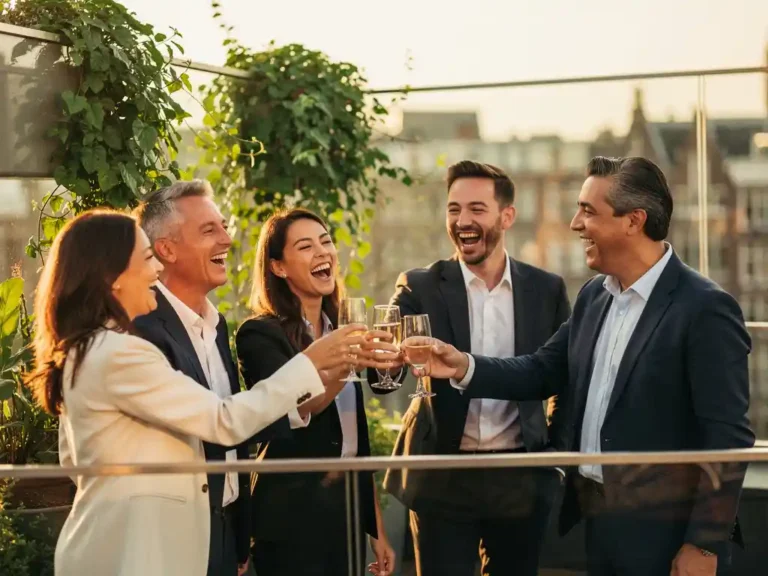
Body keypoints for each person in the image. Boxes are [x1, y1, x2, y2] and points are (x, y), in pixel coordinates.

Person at [414, 156, 754, 576]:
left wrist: (704, 545)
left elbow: (728, 437)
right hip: (598, 521)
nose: (575, 223)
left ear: (634, 221)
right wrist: (462, 364)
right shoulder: (596, 295)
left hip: (666, 534)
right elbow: (541, 370)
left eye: (588, 211)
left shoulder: (705, 308)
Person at [27, 210, 388, 576]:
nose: (156, 272)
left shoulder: (92, 347)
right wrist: (311, 363)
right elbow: (223, 420)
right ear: (112, 278)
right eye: (147, 258)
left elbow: (74, 458)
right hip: (133, 552)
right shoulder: (119, 353)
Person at [373, 160, 571, 576]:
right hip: (443, 474)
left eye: (476, 209)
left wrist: (553, 457)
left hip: (519, 475)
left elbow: (563, 380)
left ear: (507, 216)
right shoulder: (419, 285)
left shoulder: (546, 290)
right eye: (453, 209)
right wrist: (384, 362)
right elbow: (384, 374)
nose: (462, 221)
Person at [132, 179, 305, 576]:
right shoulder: (141, 330)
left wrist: (237, 536)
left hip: (226, 536)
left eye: (224, 226)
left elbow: (234, 435)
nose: (227, 239)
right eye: (210, 230)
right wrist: (311, 367)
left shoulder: (217, 324)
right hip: (173, 541)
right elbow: (217, 422)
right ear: (167, 249)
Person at [236, 208, 397, 576]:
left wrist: (377, 532)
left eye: (326, 242)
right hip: (290, 518)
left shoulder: (343, 329)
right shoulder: (259, 334)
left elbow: (355, 447)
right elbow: (296, 410)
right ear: (278, 267)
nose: (322, 252)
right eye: (306, 247)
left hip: (344, 516)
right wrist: (349, 362)